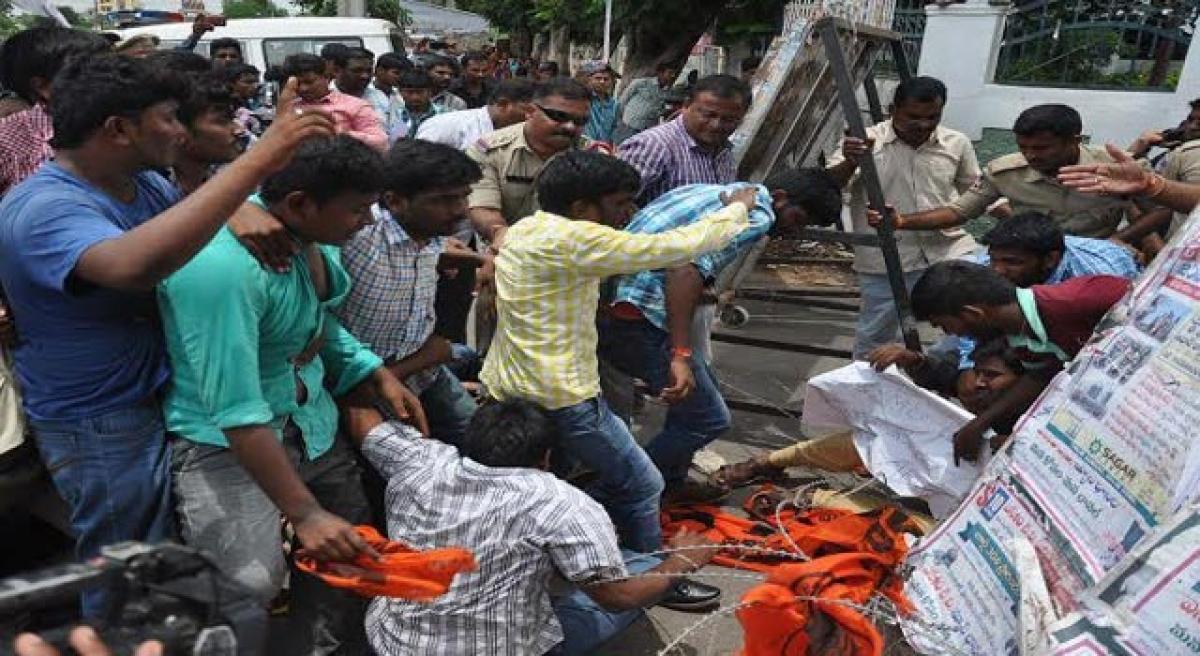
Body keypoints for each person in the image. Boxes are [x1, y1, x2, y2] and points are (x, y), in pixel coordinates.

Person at [0, 54, 335, 618]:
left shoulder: (143, 184)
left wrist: (236, 212)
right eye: (169, 118)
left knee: (159, 558)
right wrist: (255, 167)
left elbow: (186, 224)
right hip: (99, 415)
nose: (181, 132)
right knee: (124, 561)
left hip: (153, 393)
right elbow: (131, 265)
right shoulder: (45, 206)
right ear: (119, 129)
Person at [159, 136, 425, 654]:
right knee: (246, 586)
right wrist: (303, 514)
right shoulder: (223, 270)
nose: (368, 221)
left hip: (309, 424)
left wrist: (371, 370)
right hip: (227, 444)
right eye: (357, 209)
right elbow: (236, 411)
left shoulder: (308, 238)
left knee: (346, 557)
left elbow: (314, 319)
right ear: (301, 202)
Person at [481, 150, 755, 608]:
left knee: (551, 484)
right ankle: (653, 573)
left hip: (509, 385)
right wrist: (738, 206)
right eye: (621, 203)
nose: (630, 214)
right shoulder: (576, 239)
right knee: (642, 482)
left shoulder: (527, 227)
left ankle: (575, 555)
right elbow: (677, 248)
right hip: (563, 395)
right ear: (582, 208)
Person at [342, 399, 720, 656]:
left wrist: (375, 375)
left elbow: (363, 420)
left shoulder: (420, 460)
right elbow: (617, 597)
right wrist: (680, 562)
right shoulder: (561, 502)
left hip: (395, 643)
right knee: (639, 567)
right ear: (546, 456)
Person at [599, 169, 843, 501]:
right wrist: (680, 353)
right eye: (798, 219)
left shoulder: (711, 190)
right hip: (638, 320)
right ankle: (628, 492)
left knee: (695, 400)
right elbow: (683, 270)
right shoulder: (757, 214)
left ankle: (668, 481)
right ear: (781, 197)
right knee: (708, 418)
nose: (794, 231)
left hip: (612, 303)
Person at [868, 211, 1141, 396]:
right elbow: (974, 333)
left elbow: (1137, 320)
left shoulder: (1098, 274)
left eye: (1012, 262)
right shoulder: (979, 274)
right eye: (994, 259)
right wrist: (966, 373)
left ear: (1050, 260)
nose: (997, 271)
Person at [715, 339, 1029, 487]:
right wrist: (909, 358)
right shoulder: (969, 383)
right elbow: (934, 372)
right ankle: (767, 462)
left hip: (979, 483)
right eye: (980, 373)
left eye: (993, 377)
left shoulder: (1033, 414)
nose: (981, 383)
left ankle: (814, 499)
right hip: (929, 458)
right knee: (872, 439)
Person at [334, 140, 483, 446]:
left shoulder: (430, 238)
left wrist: (485, 260)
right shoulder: (356, 240)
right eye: (444, 200)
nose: (460, 211)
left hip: (425, 372)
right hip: (364, 384)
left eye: (463, 197)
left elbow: (444, 251)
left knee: (484, 441)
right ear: (396, 200)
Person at [908, 260, 1130, 463]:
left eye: (945, 326)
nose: (952, 335)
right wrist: (981, 423)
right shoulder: (1019, 335)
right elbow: (1040, 374)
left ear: (973, 314)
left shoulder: (1081, 299)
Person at [826, 76, 983, 359]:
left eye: (932, 117)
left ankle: (936, 371)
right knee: (877, 334)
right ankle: (863, 393)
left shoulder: (956, 143)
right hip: (886, 254)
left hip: (946, 248)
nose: (922, 124)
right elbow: (832, 185)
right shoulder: (865, 141)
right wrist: (851, 161)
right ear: (892, 109)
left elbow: (976, 190)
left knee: (976, 313)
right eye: (913, 116)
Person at [875, 104, 1151, 238]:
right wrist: (902, 221)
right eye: (1024, 147)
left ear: (1074, 141)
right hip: (1030, 266)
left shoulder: (1119, 170)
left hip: (1097, 263)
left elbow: (1161, 211)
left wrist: (1119, 240)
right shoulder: (1004, 172)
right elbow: (958, 212)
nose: (1030, 156)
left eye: (1042, 148)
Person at [465, 77, 596, 243]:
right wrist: (505, 239)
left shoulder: (592, 154)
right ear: (530, 111)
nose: (570, 126)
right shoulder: (490, 150)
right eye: (559, 116)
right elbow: (483, 209)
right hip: (502, 250)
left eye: (580, 121)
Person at [0, 26, 110, 197]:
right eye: (95, 72)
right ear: (43, 87)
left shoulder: (122, 124)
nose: (112, 78)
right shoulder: (6, 139)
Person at [618, 74, 749, 205]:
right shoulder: (653, 146)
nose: (716, 125)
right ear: (686, 105)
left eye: (729, 119)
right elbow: (611, 206)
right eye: (708, 115)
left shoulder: (724, 152)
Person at [1119, 99, 1200, 244]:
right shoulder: (1175, 152)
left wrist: (1118, 239)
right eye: (1190, 120)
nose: (1192, 127)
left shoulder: (1192, 155)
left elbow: (1168, 209)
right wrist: (1144, 145)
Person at [283, 52, 387, 150]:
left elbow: (380, 142)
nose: (303, 88)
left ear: (326, 77)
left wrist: (339, 134)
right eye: (298, 84)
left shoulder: (355, 105)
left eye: (309, 82)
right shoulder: (289, 109)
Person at [171, 73, 243, 195]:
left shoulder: (220, 182)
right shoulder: (154, 190)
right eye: (222, 121)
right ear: (182, 129)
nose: (238, 130)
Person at [416, 77, 535, 150]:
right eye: (529, 110)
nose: (532, 116)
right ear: (503, 105)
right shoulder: (446, 125)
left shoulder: (524, 133)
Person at [619, 61, 680, 134]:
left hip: (647, 130)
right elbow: (623, 100)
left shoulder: (668, 92)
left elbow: (660, 109)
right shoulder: (642, 83)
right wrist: (619, 120)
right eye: (670, 73)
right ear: (660, 73)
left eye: (674, 74)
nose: (672, 76)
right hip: (629, 126)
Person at [390, 68, 442, 141]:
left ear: (430, 92)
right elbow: (396, 140)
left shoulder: (443, 114)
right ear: (400, 92)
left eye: (420, 92)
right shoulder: (396, 114)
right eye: (409, 92)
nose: (415, 97)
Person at [580, 60, 621, 144]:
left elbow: (615, 129)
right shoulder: (582, 99)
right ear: (589, 79)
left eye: (606, 79)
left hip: (604, 149)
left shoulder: (614, 105)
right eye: (598, 78)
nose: (602, 82)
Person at [370, 52, 410, 134]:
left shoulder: (399, 96)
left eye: (404, 74)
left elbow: (402, 123)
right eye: (396, 73)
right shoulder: (365, 94)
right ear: (380, 71)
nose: (401, 77)